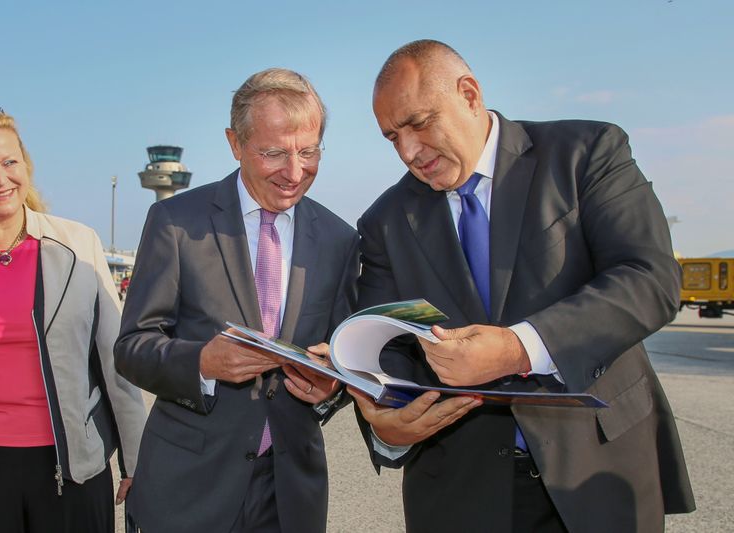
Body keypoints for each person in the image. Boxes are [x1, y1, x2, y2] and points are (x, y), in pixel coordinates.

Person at [350, 40, 695, 532]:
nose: (408, 151)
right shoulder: (385, 221)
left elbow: (649, 278)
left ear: (469, 94)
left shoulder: (585, 153)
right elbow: (386, 344)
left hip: (598, 470)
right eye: (391, 137)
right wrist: (387, 421)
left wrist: (519, 347)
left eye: (420, 123)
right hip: (460, 491)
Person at [114, 68, 359, 533]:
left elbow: (343, 356)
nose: (294, 172)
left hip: (290, 495)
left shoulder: (340, 239)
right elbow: (131, 346)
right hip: (189, 488)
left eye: (308, 152)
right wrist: (202, 363)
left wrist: (332, 387)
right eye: (273, 153)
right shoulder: (175, 220)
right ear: (234, 143)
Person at [0, 109, 146, 532]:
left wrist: (138, 461)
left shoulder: (77, 243)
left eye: (10, 162)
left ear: (25, 165)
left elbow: (116, 362)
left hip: (73, 468)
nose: (0, 180)